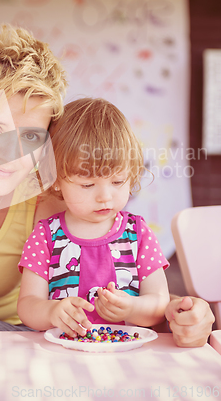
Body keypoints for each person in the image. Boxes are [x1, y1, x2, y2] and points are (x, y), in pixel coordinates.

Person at [0, 25, 214, 345]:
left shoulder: (49, 197)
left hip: (8, 334)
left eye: (30, 136)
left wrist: (184, 313)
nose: (9, 154)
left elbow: (118, 277)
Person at [18, 98, 171, 337]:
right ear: (55, 179)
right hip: (60, 353)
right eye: (88, 184)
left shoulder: (138, 233)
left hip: (126, 354)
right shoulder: (46, 236)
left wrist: (131, 308)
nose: (105, 197)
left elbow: (160, 304)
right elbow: (27, 305)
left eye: (118, 182)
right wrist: (51, 312)